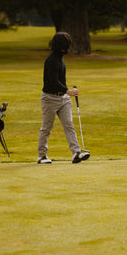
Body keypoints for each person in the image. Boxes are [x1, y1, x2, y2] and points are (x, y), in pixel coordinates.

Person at [37, 32, 90, 164]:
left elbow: (61, 81)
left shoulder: (60, 59)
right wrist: (69, 91)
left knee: (69, 125)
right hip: (50, 99)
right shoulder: (51, 61)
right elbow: (53, 82)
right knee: (46, 127)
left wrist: (67, 93)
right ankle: (41, 156)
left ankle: (76, 153)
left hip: (63, 99)